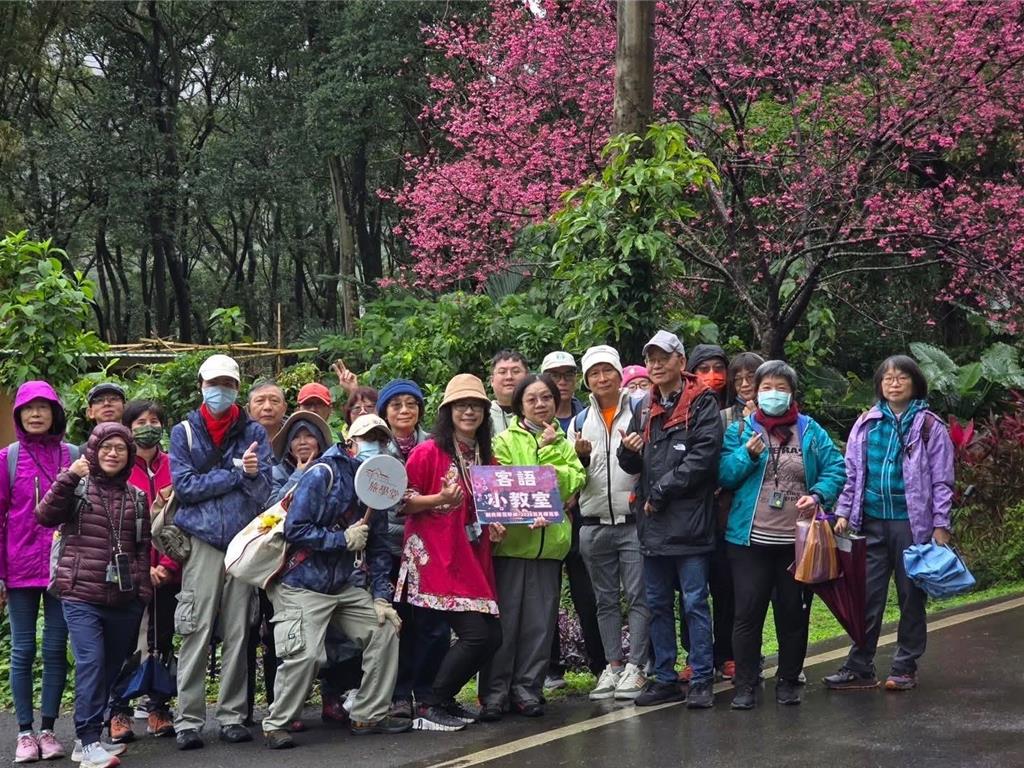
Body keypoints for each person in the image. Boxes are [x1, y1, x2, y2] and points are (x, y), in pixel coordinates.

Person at [260, 432, 410, 749]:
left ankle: (369, 713)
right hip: (302, 582)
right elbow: (295, 529)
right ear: (350, 442)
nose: (374, 448)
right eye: (367, 440)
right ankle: (277, 723)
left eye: (380, 442)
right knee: (307, 652)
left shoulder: (378, 490)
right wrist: (340, 540)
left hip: (344, 584)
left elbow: (381, 551)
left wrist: (381, 597)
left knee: (385, 627)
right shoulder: (322, 474)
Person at [719, 360, 845, 709]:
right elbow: (725, 475)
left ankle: (788, 681)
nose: (773, 394)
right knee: (747, 614)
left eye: (780, 387)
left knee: (793, 613)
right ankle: (745, 686)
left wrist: (818, 494)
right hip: (748, 541)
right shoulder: (741, 430)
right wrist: (746, 454)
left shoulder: (811, 431)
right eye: (766, 388)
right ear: (756, 393)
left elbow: (837, 467)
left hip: (797, 541)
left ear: (792, 393)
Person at [825, 355, 954, 693]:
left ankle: (905, 666)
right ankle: (859, 665)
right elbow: (852, 474)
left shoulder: (929, 426)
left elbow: (942, 481)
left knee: (911, 595)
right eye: (887, 378)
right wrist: (842, 512)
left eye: (901, 378)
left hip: (912, 524)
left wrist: (941, 525)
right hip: (870, 522)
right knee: (866, 595)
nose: (894, 383)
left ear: (915, 384)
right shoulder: (866, 423)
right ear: (879, 386)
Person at [169, 354, 272, 750]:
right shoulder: (185, 433)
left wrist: (246, 476)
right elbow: (186, 487)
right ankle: (188, 720)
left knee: (237, 631)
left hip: (242, 545)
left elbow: (262, 490)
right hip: (202, 544)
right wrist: (235, 474)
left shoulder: (253, 433)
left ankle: (231, 715)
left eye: (228, 383)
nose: (221, 390)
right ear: (201, 386)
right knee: (194, 630)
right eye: (214, 383)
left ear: (237, 388)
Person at [617, 330, 723, 709]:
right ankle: (664, 676)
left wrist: (661, 490)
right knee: (657, 602)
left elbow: (703, 458)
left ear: (681, 361)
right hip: (652, 524)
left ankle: (701, 677)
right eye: (651, 359)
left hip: (689, 522)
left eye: (663, 357)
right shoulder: (643, 405)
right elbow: (631, 462)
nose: (656, 365)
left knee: (695, 601)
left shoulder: (702, 402)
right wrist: (627, 453)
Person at [36, 423, 152, 768]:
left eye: (120, 448)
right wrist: (68, 477)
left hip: (123, 598)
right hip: (80, 594)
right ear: (94, 451)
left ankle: (89, 739)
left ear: (129, 455)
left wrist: (142, 591)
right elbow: (44, 516)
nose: (113, 453)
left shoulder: (137, 497)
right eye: (106, 447)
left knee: (110, 667)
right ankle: (87, 742)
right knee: (91, 662)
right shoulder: (78, 487)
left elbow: (143, 548)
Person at [398, 374, 505, 731]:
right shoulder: (428, 451)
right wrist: (439, 500)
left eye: (476, 405)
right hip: (435, 555)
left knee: (492, 636)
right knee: (474, 634)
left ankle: (443, 698)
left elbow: (491, 506)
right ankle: (428, 704)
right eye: (461, 405)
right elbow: (401, 502)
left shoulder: (486, 455)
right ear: (448, 412)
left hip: (470, 556)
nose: (469, 411)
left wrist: (498, 522)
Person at [479, 374, 586, 720]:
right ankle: (495, 693)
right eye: (532, 399)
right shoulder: (504, 440)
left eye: (546, 398)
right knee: (506, 625)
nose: (540, 404)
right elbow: (501, 483)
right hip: (512, 545)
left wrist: (551, 448)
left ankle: (528, 689)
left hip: (550, 547)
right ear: (519, 404)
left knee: (539, 625)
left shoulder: (564, 442)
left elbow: (573, 480)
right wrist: (540, 492)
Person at [567, 345, 649, 700]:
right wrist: (581, 461)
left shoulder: (641, 413)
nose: (602, 378)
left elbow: (653, 462)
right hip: (593, 521)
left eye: (608, 371)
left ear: (620, 375)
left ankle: (639, 666)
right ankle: (613, 665)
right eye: (594, 373)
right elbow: (572, 476)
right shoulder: (578, 421)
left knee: (638, 595)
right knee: (605, 600)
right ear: (587, 380)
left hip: (633, 521)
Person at [0, 381, 75, 763]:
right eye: (28, 408)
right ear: (18, 416)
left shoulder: (74, 455)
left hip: (63, 568)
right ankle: (25, 733)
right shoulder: (8, 458)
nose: (35, 414)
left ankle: (48, 729)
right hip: (19, 568)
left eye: (43, 407)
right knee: (23, 650)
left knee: (55, 649)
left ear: (55, 413)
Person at [106, 400, 178, 743]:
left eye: (153, 420)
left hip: (168, 573)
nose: (147, 426)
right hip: (127, 575)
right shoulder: (117, 466)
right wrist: (140, 569)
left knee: (163, 639)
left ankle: (159, 707)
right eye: (139, 421)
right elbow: (108, 526)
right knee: (124, 643)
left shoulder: (175, 466)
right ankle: (117, 711)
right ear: (127, 426)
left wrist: (167, 565)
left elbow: (183, 523)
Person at [676, 344, 742, 682]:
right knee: (691, 590)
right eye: (704, 369)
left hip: (727, 516)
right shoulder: (681, 409)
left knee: (727, 587)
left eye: (719, 369)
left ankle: (728, 653)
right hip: (689, 516)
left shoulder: (738, 414)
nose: (712, 377)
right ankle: (695, 653)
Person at [539, 351, 603, 689]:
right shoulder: (531, 421)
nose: (561, 381)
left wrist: (575, 491)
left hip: (583, 518)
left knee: (587, 595)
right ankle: (550, 668)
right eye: (554, 375)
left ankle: (600, 664)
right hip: (545, 523)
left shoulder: (587, 415)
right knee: (546, 595)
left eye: (567, 375)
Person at [270, 411, 333, 505]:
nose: (302, 442)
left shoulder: (332, 470)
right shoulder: (276, 473)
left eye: (310, 436)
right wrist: (298, 474)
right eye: (295, 437)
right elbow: (272, 507)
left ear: (320, 442)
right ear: (289, 446)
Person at [488, 350, 529, 434]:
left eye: (516, 371)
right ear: (492, 380)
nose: (509, 377)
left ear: (527, 377)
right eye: (502, 372)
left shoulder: (538, 410)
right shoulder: (483, 414)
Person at [722, 353, 764, 431]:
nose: (744, 384)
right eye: (738, 379)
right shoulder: (723, 417)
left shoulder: (776, 411)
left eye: (751, 377)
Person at [80, 383, 127, 454]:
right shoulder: (81, 453)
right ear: (90, 412)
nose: (106, 403)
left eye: (113, 399)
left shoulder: (137, 447)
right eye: (99, 400)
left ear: (124, 408)